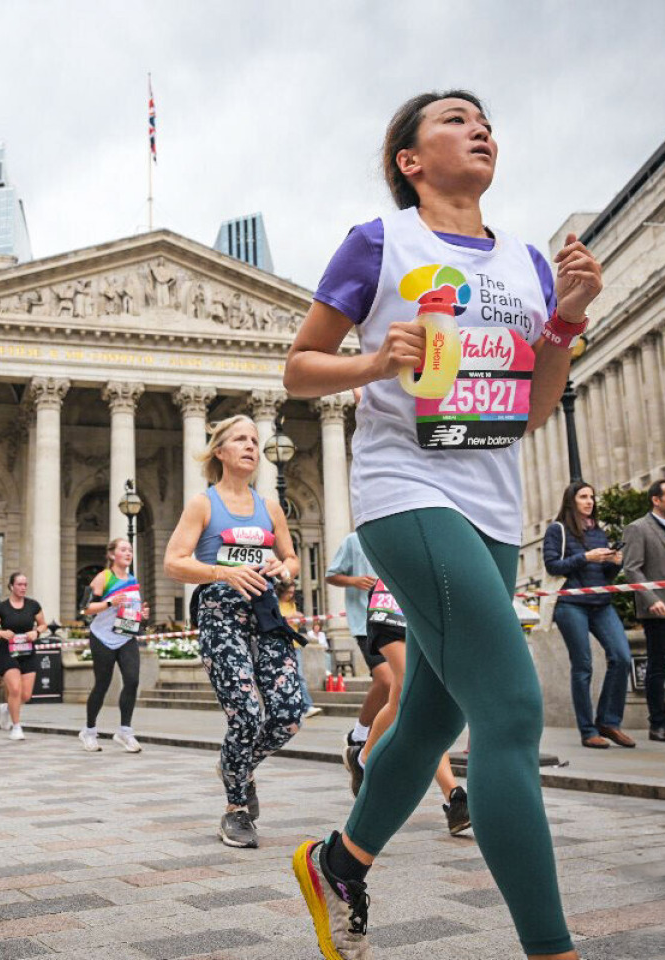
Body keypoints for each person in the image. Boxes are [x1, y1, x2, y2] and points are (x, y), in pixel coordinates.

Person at [283, 90, 601, 960]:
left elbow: (534, 411)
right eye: (455, 118)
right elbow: (297, 370)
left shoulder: (530, 262)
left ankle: (339, 863)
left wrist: (567, 318)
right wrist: (373, 360)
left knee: (429, 715)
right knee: (507, 707)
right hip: (406, 487)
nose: (480, 127)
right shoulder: (380, 244)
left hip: (494, 501)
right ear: (410, 162)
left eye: (485, 118)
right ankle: (552, 949)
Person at [164, 414, 305, 849]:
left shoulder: (271, 506)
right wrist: (221, 573)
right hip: (219, 614)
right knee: (245, 711)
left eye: (254, 440)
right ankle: (235, 810)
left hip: (264, 613)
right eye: (240, 439)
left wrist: (284, 567)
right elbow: (174, 561)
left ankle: (235, 766)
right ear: (220, 452)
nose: (250, 446)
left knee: (289, 713)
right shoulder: (203, 504)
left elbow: (292, 558)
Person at [343, 577, 470, 835]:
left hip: (431, 603)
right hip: (394, 604)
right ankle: (364, 757)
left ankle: (453, 798)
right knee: (407, 689)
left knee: (424, 704)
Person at [544, 483, 632, 749]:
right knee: (583, 666)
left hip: (601, 603)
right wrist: (585, 557)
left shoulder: (598, 532)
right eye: (584, 497)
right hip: (571, 604)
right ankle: (588, 730)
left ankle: (609, 721)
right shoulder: (557, 529)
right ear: (571, 501)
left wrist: (614, 564)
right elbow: (552, 565)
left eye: (592, 496)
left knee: (622, 657)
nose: (590, 501)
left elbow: (603, 576)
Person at [78, 538, 151, 753]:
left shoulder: (133, 581)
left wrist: (143, 616)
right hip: (102, 637)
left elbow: (133, 614)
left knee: (132, 680)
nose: (128, 553)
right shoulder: (104, 577)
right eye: (123, 550)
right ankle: (89, 731)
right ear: (112, 555)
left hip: (126, 636)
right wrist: (110, 602)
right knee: (103, 683)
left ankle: (124, 731)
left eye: (130, 550)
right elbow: (85, 608)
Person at [327, 532, 393, 750]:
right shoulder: (354, 540)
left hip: (398, 622)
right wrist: (353, 580)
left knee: (399, 683)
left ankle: (380, 735)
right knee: (385, 679)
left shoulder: (398, 538)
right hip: (365, 623)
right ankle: (359, 734)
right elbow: (331, 575)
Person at [622, 477, 665, 742]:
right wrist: (652, 598)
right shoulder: (638, 528)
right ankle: (657, 723)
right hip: (658, 609)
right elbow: (632, 568)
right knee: (658, 666)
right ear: (656, 500)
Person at [0, 572, 47, 741]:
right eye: (19, 584)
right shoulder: (2, 608)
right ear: (11, 586)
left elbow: (43, 624)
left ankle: (6, 708)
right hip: (8, 652)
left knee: (25, 695)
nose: (23, 588)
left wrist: (36, 632)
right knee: (15, 689)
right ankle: (17, 727)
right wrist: (2, 633)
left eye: (25, 584)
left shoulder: (33, 605)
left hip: (27, 651)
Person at [278, 581, 319, 719]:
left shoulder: (292, 604)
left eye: (292, 592)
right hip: (281, 644)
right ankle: (294, 707)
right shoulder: (275, 602)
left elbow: (293, 622)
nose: (291, 595)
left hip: (295, 644)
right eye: (288, 592)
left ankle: (306, 706)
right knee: (284, 678)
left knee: (299, 676)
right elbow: (276, 620)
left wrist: (299, 619)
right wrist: (289, 618)